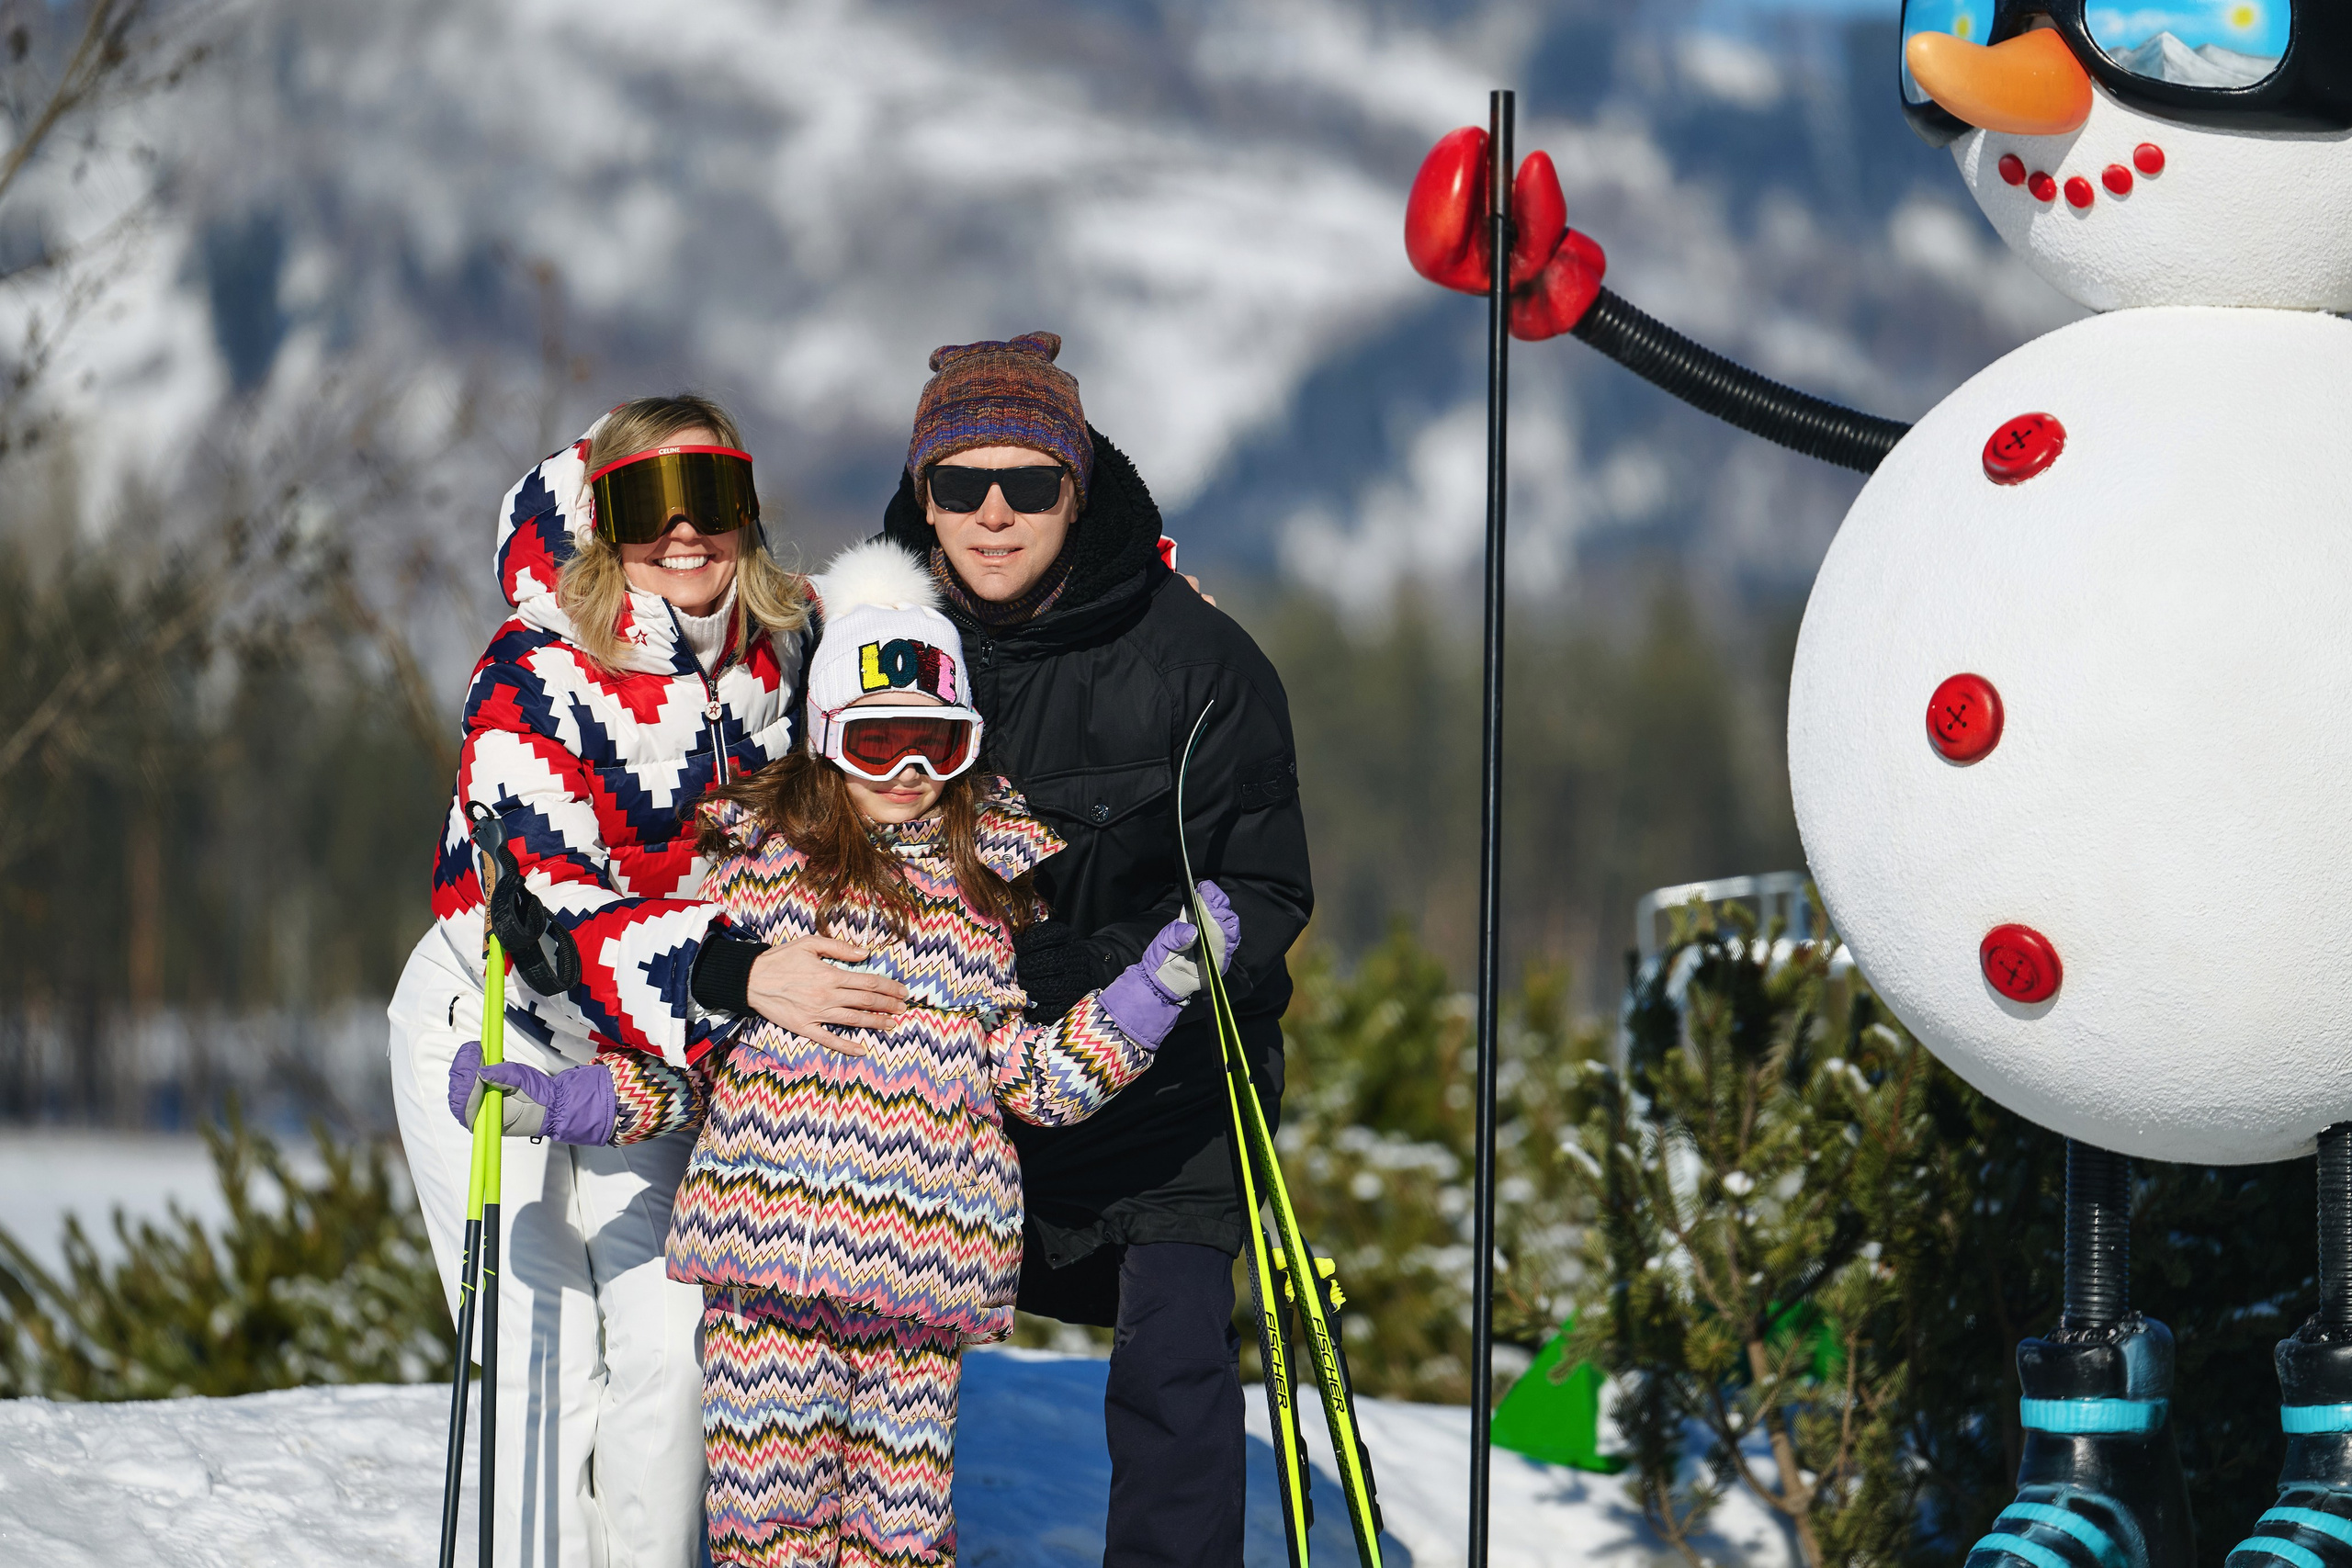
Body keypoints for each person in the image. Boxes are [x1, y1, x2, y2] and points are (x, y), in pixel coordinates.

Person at [442, 538, 1242, 1568]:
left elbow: (1035, 1081)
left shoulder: (986, 900)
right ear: (824, 740)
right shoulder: (752, 885)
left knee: (900, 1543)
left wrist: (1149, 993)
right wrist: (562, 1104)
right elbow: (690, 1068)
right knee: (771, 1536)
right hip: (769, 1281)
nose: (909, 773)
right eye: (878, 744)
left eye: (936, 744)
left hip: (921, 1293)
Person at [385, 395, 913, 1568]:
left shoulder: (782, 654)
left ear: (749, 510)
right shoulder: (535, 669)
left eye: (711, 500)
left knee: (677, 1353)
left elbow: (927, 651)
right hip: (500, 1012)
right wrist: (739, 968)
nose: (683, 536)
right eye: (643, 505)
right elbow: (551, 908)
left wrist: (1141, 590)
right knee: (543, 1358)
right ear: (598, 521)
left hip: (664, 1051)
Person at [876, 333, 1314, 1564]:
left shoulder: (1200, 664)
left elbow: (1266, 886)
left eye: (1031, 482)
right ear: (924, 496)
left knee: (1175, 1358)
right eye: (962, 485)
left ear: (1083, 485)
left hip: (1157, 1088)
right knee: (847, 1339)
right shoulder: (867, 652)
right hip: (947, 1080)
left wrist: (1103, 978)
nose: (996, 512)